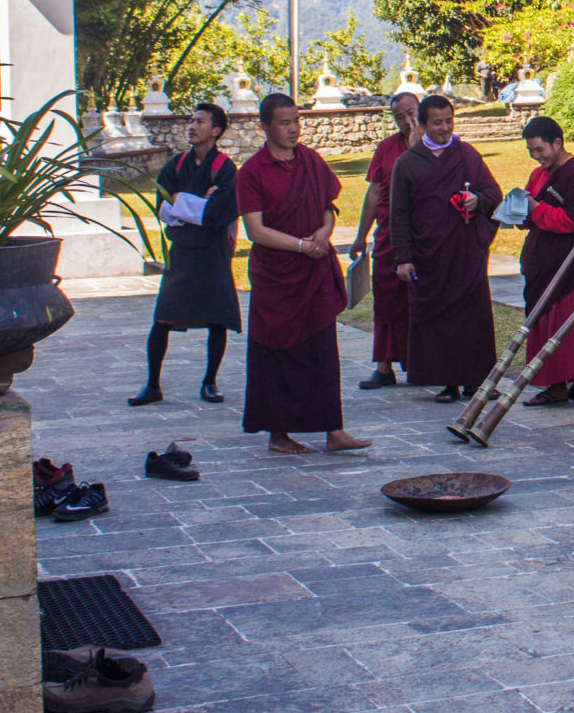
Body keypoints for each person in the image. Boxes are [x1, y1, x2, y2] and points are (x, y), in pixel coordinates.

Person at [235, 93, 370, 455]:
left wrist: (324, 234)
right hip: (277, 276)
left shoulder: (311, 160)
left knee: (322, 351)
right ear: (265, 126)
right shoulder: (252, 172)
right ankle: (278, 434)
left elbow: (328, 208)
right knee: (276, 352)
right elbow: (256, 231)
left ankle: (334, 430)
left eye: (296, 120)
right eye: (284, 122)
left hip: (314, 271)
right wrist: (301, 246)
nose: (293, 128)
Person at [392, 95, 504, 403]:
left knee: (473, 318)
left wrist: (477, 201)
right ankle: (447, 382)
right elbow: (398, 214)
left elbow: (494, 195)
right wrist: (404, 258)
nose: (444, 129)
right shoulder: (408, 164)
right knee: (438, 319)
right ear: (424, 124)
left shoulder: (466, 154)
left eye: (449, 122)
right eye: (437, 123)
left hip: (466, 251)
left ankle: (476, 381)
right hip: (430, 255)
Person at [130, 102, 240, 407]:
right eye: (191, 121)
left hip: (213, 252)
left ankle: (210, 382)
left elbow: (220, 211)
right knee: (162, 317)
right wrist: (196, 204)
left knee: (217, 318)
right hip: (182, 252)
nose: (192, 126)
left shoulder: (224, 168)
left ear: (215, 131)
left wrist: (183, 203)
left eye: (200, 121)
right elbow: (162, 205)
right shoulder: (176, 165)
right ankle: (153, 384)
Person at [512, 115, 574, 410]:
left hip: (572, 265)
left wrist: (536, 208)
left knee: (573, 326)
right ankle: (555, 386)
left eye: (540, 150)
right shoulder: (539, 175)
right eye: (532, 152)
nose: (537, 157)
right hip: (541, 264)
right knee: (544, 323)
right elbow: (531, 213)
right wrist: (517, 213)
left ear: (557, 143)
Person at [350, 91, 420, 389]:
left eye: (411, 113)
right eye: (400, 116)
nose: (407, 121)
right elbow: (375, 193)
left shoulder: (437, 145)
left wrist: (418, 147)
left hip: (421, 235)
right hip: (388, 234)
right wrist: (360, 237)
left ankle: (421, 363)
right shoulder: (386, 148)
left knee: (418, 301)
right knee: (386, 298)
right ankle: (383, 365)